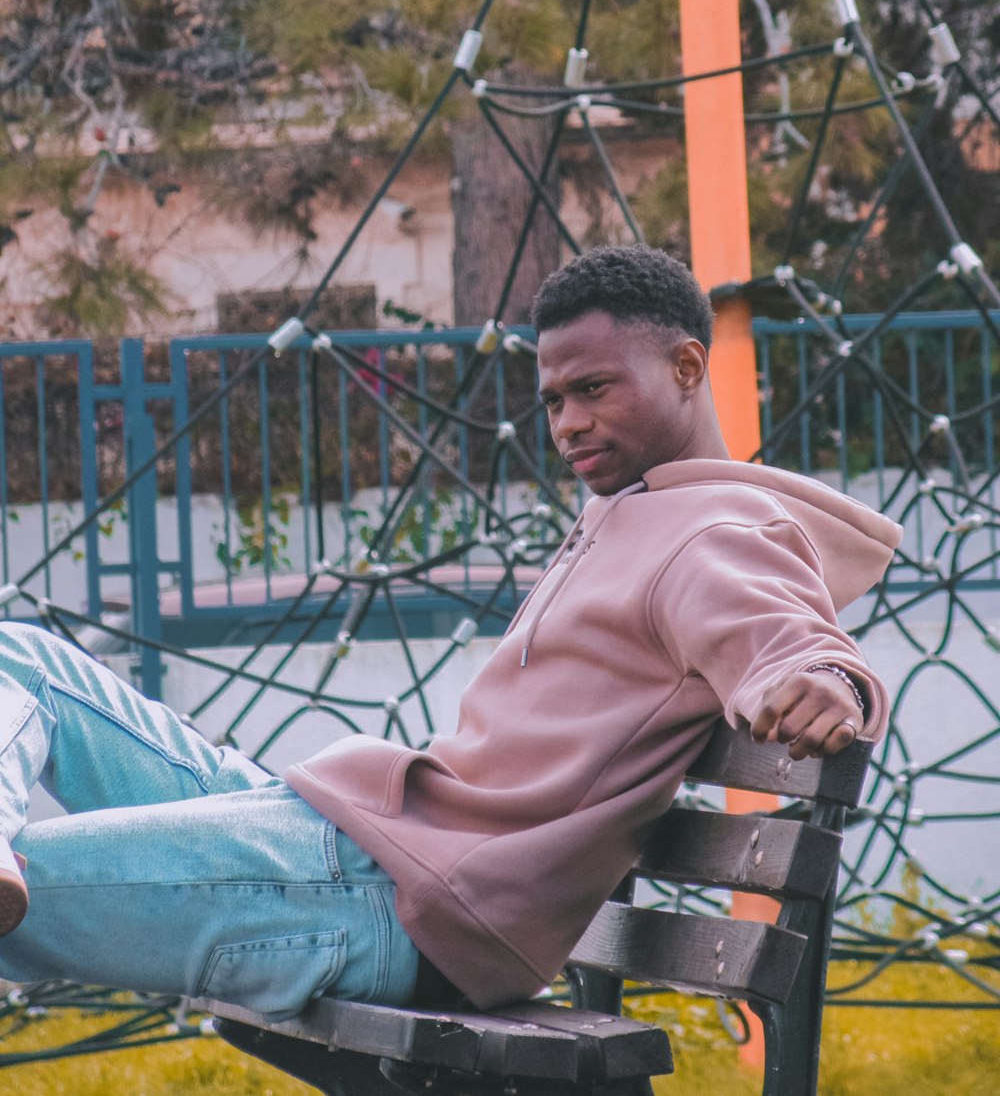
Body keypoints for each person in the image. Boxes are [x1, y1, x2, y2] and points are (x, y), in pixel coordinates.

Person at [0, 244, 899, 1020]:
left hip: (393, 900)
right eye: (553, 401)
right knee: (20, 653)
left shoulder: (714, 535)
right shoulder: (637, 509)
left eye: (593, 389)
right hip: (353, 839)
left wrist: (827, 682)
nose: (570, 423)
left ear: (689, 368)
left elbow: (785, 636)